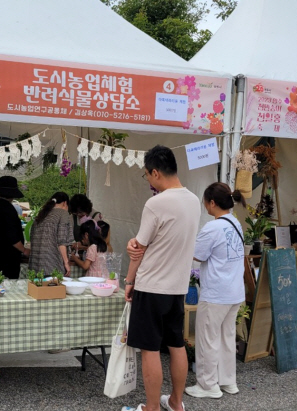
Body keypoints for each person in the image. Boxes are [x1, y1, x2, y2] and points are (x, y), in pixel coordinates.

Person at [122, 145, 201, 411]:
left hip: (151, 285)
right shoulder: (193, 200)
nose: (149, 181)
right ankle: (177, 403)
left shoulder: (156, 203)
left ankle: (152, 407)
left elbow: (139, 250)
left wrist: (129, 281)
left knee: (150, 349)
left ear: (155, 172)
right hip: (177, 287)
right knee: (176, 344)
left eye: (146, 175)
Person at [184, 182, 246, 399]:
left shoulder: (213, 227)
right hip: (235, 291)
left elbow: (198, 255)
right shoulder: (235, 223)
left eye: (205, 202)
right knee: (226, 337)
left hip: (217, 292)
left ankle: (207, 385)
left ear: (212, 202)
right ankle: (228, 381)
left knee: (207, 339)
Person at [0, 176, 28, 279]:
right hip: (8, 256)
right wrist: (24, 250)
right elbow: (12, 236)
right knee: (9, 284)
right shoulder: (7, 208)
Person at [28, 192, 73, 276]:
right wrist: (66, 262)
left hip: (36, 265)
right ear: (65, 203)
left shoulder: (41, 214)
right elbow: (61, 241)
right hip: (52, 264)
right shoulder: (63, 214)